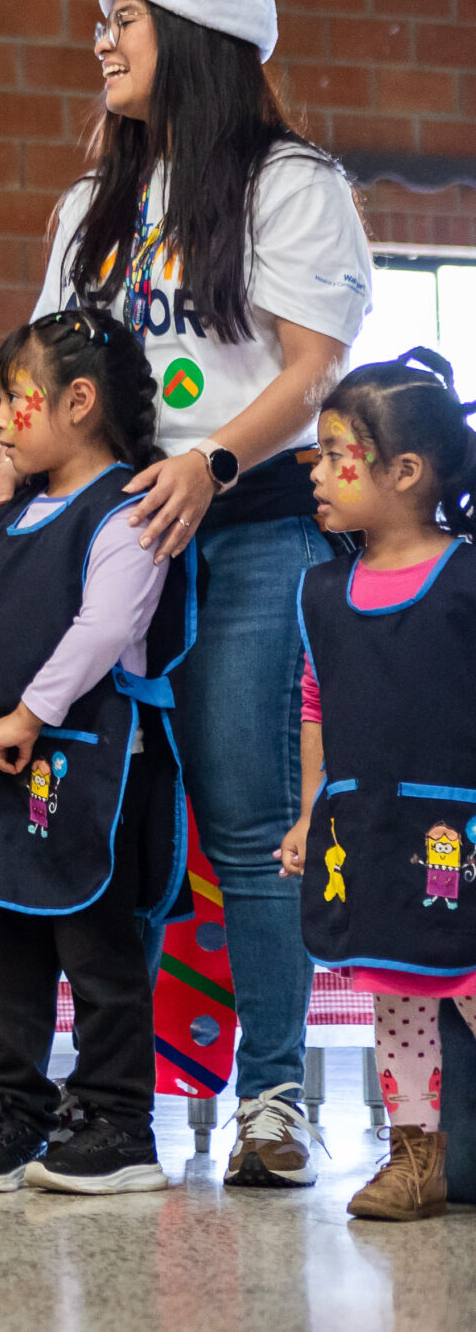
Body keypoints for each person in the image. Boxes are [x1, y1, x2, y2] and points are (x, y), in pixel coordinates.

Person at [31, 0, 369, 1187]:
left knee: (245, 824)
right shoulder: (90, 208)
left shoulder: (293, 183)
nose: (102, 41)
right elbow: (57, 373)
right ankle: (105, 1088)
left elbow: (311, 370)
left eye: (124, 18)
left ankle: (272, 1095)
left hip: (252, 536)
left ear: (197, 29)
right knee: (108, 825)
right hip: (117, 549)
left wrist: (212, 460)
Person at [0, 310, 181, 1196]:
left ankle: (118, 1122)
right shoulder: (4, 515)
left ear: (78, 401)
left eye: (12, 399)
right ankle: (14, 1109)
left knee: (97, 947)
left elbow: (106, 626)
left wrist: (30, 714)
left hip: (86, 763)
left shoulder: (128, 507)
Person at [276, 352, 476, 1221]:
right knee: (397, 997)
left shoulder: (466, 576)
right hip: (366, 832)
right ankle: (414, 1159)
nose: (316, 471)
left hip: (457, 835)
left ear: (405, 471)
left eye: (334, 453)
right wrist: (312, 809)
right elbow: (318, 700)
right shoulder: (323, 588)